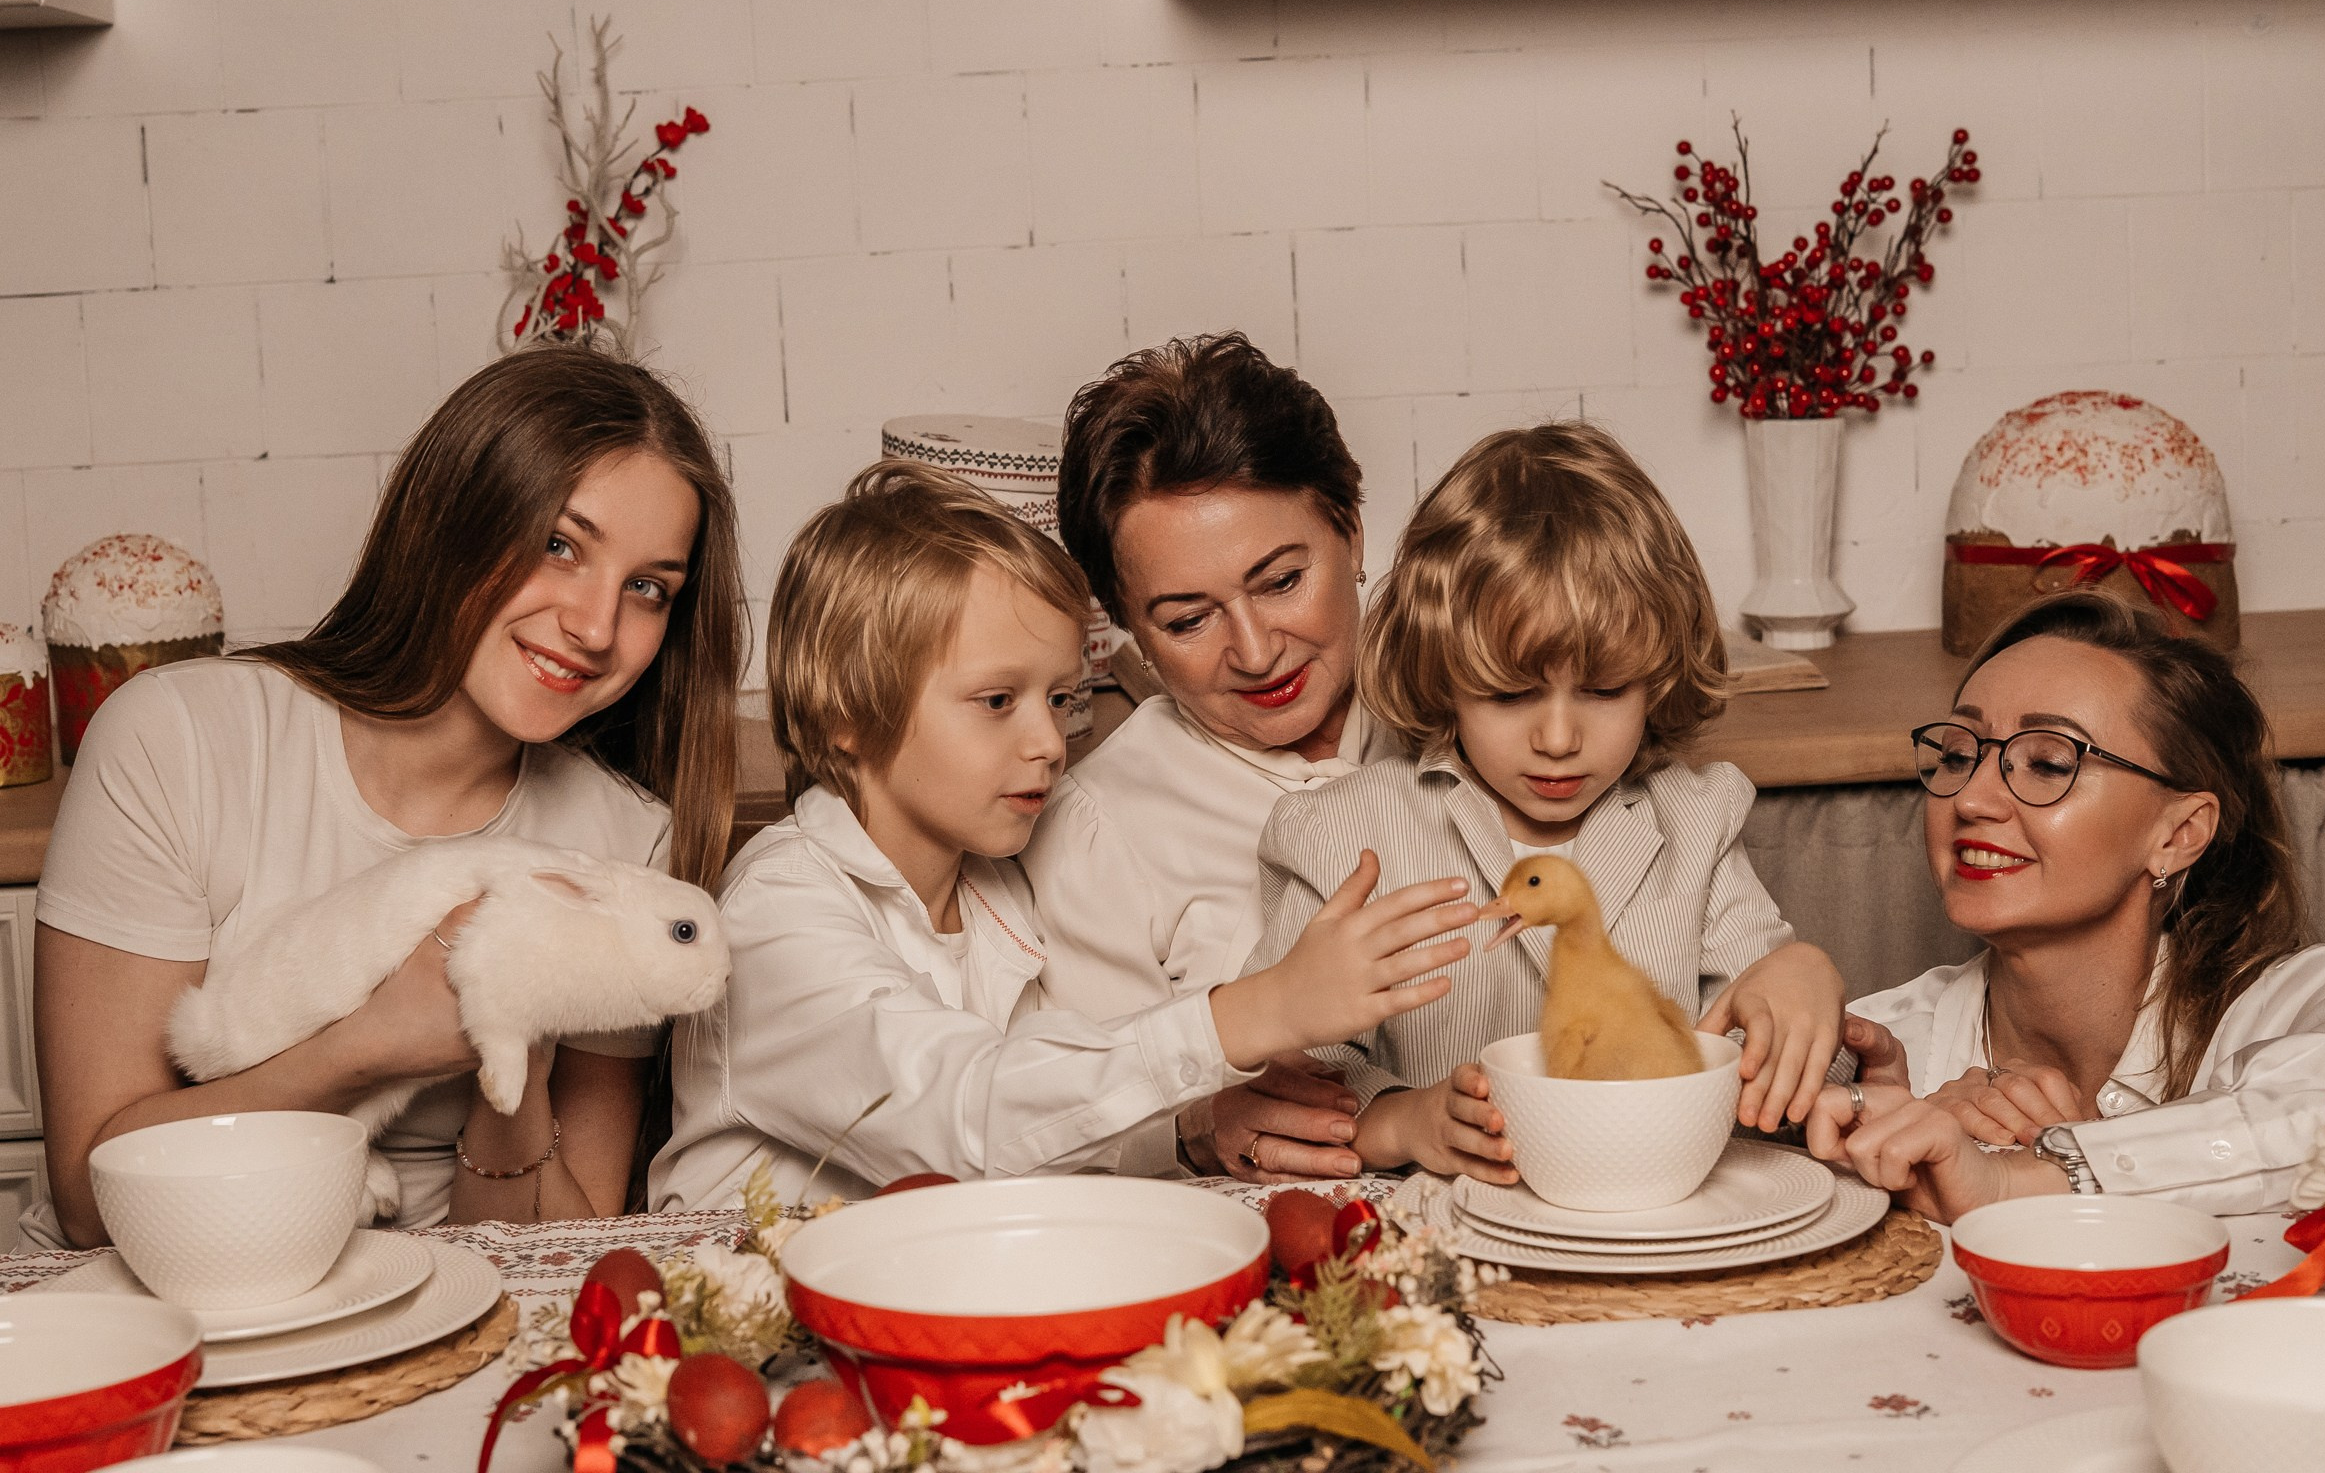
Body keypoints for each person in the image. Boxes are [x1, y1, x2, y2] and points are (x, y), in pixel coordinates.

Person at [29, 347, 744, 1248]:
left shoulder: (628, 841)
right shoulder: (177, 741)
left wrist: (515, 1031)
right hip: (186, 1287)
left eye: (647, 589)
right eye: (560, 545)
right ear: (453, 521)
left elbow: (559, 1253)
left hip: (462, 1301)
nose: (597, 628)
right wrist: (367, 1045)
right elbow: (95, 1208)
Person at [649, 463, 1481, 1209]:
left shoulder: (998, 889)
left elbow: (1047, 1119)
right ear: (847, 719)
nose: (1049, 742)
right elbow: (962, 1118)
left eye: (1058, 697)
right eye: (997, 701)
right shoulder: (776, 908)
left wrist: (1193, 1129)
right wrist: (1254, 1012)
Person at [1249, 422, 1848, 1184]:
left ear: (1656, 677)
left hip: (1646, 1220)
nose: (1559, 738)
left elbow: (1756, 1039)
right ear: (1442, 674)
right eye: (1509, 694)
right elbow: (1285, 1085)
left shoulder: (1697, 820)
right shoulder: (1342, 833)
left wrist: (1795, 975)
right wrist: (1401, 1117)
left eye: (1603, 690)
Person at [1810, 592, 2325, 1221]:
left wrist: (2031, 1173)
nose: (1973, 798)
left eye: (2048, 762)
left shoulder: (2292, 1003)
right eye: (1959, 754)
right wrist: (1857, 1154)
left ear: (2179, 834)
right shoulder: (1891, 1042)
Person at [1022, 334, 1409, 1180]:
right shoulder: (1095, 827)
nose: (1256, 650)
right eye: (1188, 619)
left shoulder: (1474, 712)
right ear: (1129, 629)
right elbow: (1064, 1115)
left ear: (1350, 527)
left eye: (1279, 582)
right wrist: (1190, 1127)